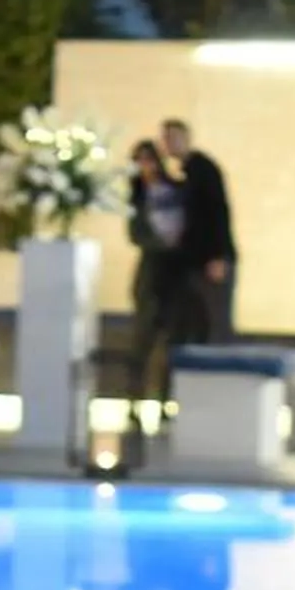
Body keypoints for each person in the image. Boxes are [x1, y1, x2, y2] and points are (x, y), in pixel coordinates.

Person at [125, 139, 206, 433]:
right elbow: (136, 234)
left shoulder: (177, 191)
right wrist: (159, 244)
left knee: (173, 342)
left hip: (176, 274)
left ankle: (165, 405)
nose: (145, 166)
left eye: (148, 159)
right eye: (138, 161)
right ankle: (134, 404)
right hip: (151, 274)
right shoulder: (136, 197)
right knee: (142, 342)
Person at [160, 118, 235, 341]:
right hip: (192, 261)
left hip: (209, 259)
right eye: (166, 139)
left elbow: (218, 212)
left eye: (174, 138)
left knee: (214, 323)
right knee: (195, 322)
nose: (170, 143)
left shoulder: (203, 169)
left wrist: (219, 256)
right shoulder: (184, 172)